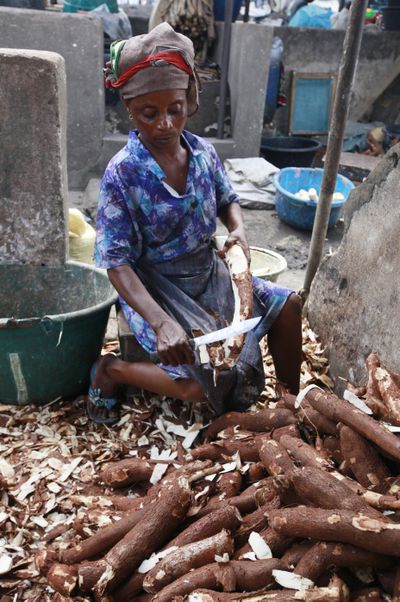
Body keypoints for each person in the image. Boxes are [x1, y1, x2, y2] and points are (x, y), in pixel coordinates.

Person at [89, 22, 302, 425]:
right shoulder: (122, 175)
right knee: (197, 384)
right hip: (157, 287)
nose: (165, 123)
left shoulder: (202, 153)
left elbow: (229, 200)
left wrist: (237, 229)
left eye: (175, 109)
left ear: (189, 100)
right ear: (130, 110)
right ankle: (112, 370)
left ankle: (289, 405)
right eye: (149, 114)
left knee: (288, 306)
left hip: (210, 274)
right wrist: (162, 322)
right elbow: (117, 264)